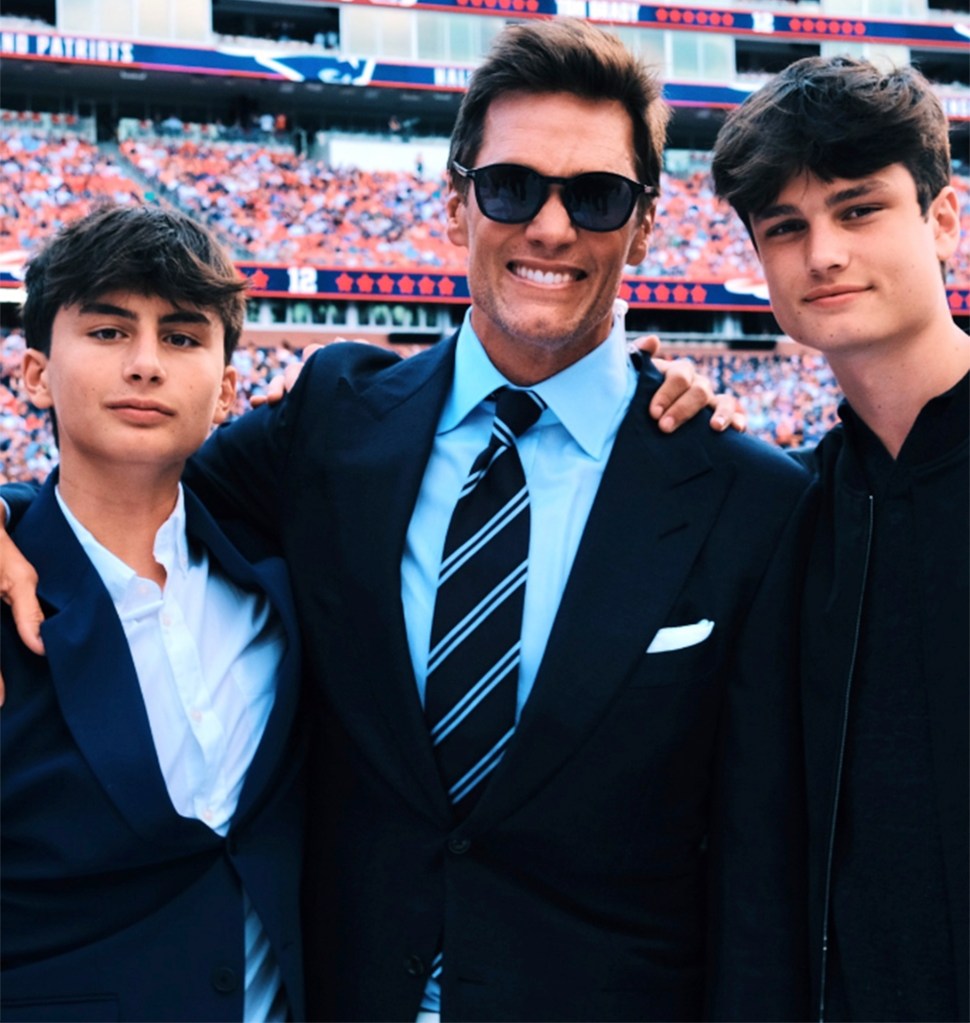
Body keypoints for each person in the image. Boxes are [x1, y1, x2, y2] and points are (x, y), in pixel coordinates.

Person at [1, 21, 810, 1022]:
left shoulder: (743, 492)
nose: (551, 228)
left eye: (595, 196)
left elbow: (764, 856)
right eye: (511, 186)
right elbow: (132, 487)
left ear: (645, 225)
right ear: (456, 197)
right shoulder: (337, 420)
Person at [0, 204, 307, 1022]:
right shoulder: (10, 595)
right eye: (107, 332)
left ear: (229, 387)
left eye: (180, 337)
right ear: (33, 375)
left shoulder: (280, 577)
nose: (145, 364)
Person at [710, 56, 969, 1022]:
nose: (822, 253)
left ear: (943, 221)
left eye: (859, 210)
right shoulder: (786, 519)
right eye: (786, 227)